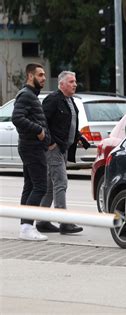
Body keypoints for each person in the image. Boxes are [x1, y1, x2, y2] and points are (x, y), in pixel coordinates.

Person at [37, 71, 89, 234]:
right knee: (61, 183)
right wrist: (50, 142)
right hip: (54, 149)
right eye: (71, 81)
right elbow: (42, 122)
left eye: (75, 81)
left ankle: (42, 221)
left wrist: (79, 137)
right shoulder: (53, 100)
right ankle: (64, 223)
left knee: (51, 186)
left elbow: (68, 124)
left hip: (64, 148)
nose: (75, 84)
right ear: (61, 84)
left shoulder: (70, 101)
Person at [12, 63, 50, 241]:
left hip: (31, 147)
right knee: (41, 186)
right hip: (31, 147)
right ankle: (27, 227)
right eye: (40, 75)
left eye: (44, 75)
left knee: (30, 187)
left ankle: (25, 227)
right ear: (30, 76)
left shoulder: (30, 95)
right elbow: (17, 118)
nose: (43, 78)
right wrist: (39, 131)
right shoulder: (26, 95)